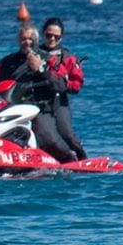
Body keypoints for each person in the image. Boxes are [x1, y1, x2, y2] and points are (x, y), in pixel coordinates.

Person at [0, 22, 78, 163]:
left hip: (39, 108)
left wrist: (41, 69)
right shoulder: (7, 62)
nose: (26, 42)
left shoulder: (48, 59)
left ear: (36, 40)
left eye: (30, 39)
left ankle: (70, 157)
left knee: (48, 137)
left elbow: (61, 84)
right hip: (11, 108)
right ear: (18, 40)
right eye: (23, 39)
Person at [37, 17, 87, 160]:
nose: (52, 39)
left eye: (56, 36)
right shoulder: (34, 55)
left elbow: (76, 85)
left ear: (61, 37)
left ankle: (81, 158)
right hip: (38, 101)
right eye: (48, 35)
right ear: (43, 34)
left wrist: (62, 83)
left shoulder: (68, 59)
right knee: (46, 133)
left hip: (59, 101)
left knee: (67, 134)